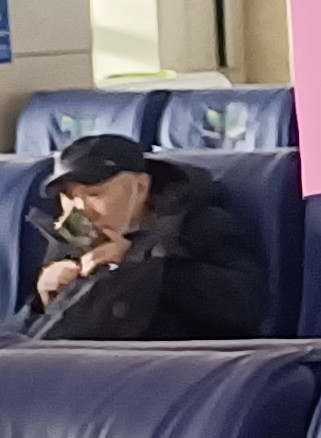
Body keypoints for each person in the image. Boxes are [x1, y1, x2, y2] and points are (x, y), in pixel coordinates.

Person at [23, 127, 264, 341]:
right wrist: (42, 302)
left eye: (94, 195)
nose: (80, 210)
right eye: (69, 197)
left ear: (140, 187)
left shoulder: (198, 224)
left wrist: (137, 265)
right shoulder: (72, 238)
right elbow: (24, 337)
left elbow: (246, 305)